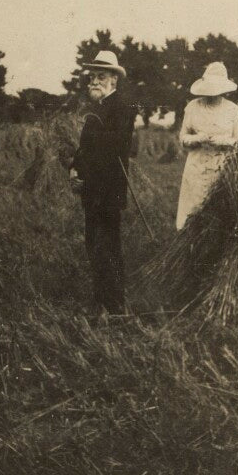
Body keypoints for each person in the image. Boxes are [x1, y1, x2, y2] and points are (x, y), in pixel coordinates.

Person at [69, 50, 137, 315]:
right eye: (92, 77)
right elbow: (84, 148)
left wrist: (84, 178)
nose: (94, 81)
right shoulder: (97, 108)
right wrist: (74, 170)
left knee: (107, 248)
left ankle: (115, 307)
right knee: (94, 246)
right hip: (92, 191)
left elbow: (109, 150)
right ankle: (101, 302)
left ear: (114, 80)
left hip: (108, 191)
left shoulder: (121, 108)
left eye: (101, 76)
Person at [176, 62, 238, 230]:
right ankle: (189, 242)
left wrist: (222, 141)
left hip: (222, 168)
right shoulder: (192, 107)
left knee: (217, 214)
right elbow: (183, 138)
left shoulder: (233, 110)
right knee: (193, 212)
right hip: (196, 168)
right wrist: (197, 139)